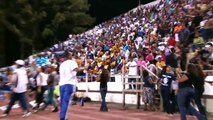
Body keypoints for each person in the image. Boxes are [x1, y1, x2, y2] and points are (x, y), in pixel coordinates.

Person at [59, 51, 86, 120]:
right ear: (68, 56)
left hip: (61, 84)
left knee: (62, 101)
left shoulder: (62, 64)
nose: (72, 56)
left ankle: (62, 116)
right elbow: (76, 69)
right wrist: (84, 68)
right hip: (69, 84)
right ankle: (63, 117)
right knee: (66, 101)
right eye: (71, 55)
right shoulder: (72, 62)